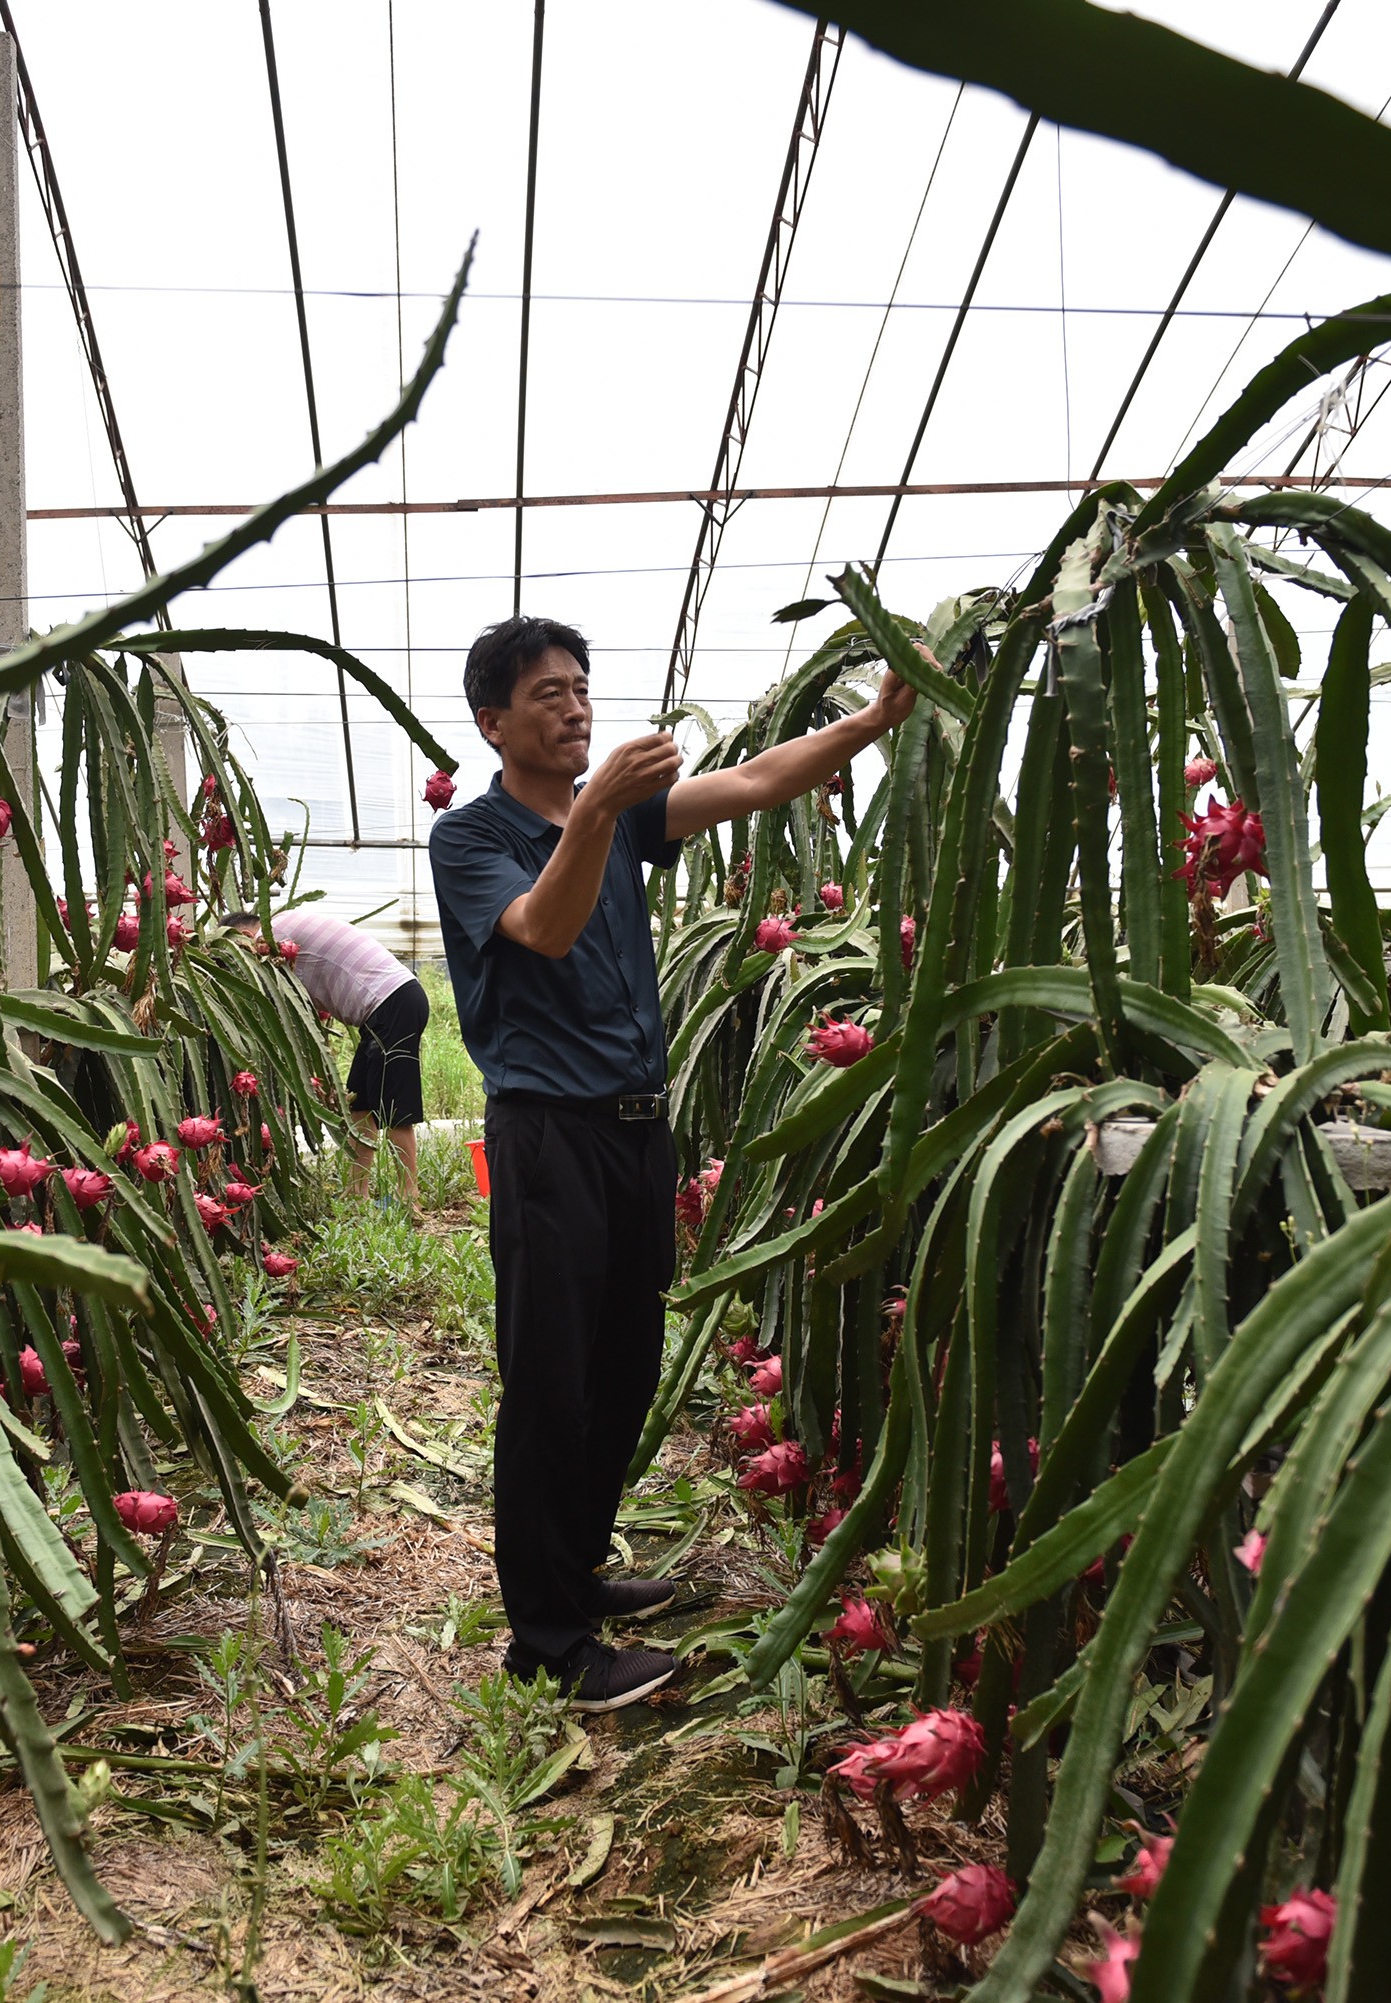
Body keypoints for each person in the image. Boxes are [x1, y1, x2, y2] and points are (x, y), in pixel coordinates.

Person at [428, 614, 915, 1710]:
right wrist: (598, 807)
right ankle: (548, 1643)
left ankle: (578, 1571)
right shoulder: (472, 839)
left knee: (623, 1367)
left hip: (639, 1131)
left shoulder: (617, 816)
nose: (574, 706)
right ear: (493, 721)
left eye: (581, 686)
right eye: (547, 693)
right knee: (549, 1381)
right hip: (548, 1134)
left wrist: (870, 723)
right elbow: (545, 927)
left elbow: (753, 782)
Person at [226, 905, 428, 1205]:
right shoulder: (287, 926)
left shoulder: (273, 934)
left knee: (395, 1105)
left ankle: (408, 1194)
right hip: (386, 1007)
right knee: (361, 1103)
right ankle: (357, 1191)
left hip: (392, 1002)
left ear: (245, 935)